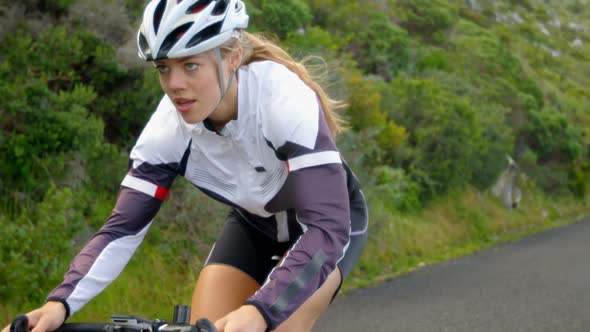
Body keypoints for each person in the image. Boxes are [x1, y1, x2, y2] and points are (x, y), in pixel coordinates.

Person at [2, 0, 368, 331]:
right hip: (254, 226)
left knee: (275, 324)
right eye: (164, 68)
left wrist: (260, 311)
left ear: (233, 57)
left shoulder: (283, 99)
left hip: (324, 228)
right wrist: (59, 303)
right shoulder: (167, 131)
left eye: (191, 65)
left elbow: (327, 227)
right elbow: (122, 229)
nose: (175, 85)